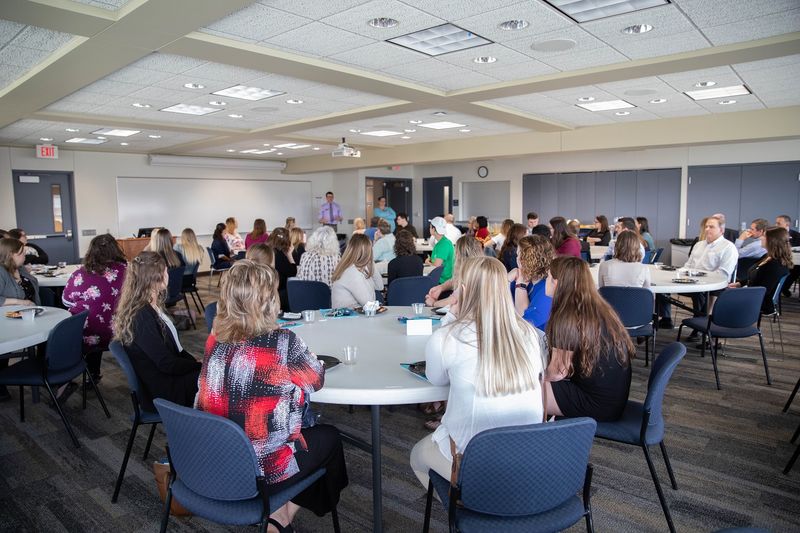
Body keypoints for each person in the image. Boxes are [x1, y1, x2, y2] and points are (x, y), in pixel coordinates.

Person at [196, 260, 348, 529]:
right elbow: (316, 380)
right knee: (330, 440)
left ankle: (277, 514)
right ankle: (280, 517)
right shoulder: (281, 342)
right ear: (268, 300)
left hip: (216, 456)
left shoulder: (214, 339)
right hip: (262, 468)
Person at [409, 256, 545, 489]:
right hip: (529, 457)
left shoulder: (448, 337)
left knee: (417, 456)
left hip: (474, 463)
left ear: (462, 290)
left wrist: (452, 316)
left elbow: (436, 380)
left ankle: (468, 510)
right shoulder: (530, 334)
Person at [544, 256, 635, 421]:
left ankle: (535, 441)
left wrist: (532, 378)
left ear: (556, 283)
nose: (546, 280)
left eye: (548, 277)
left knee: (526, 393)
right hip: (614, 399)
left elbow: (558, 372)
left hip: (597, 405)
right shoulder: (598, 308)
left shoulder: (566, 317)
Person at [112, 252, 201, 411]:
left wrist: (195, 363)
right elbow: (166, 363)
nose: (168, 274)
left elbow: (173, 350)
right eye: (165, 271)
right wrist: (198, 367)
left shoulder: (152, 306)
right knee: (218, 380)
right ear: (155, 278)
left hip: (167, 377)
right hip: (163, 390)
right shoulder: (141, 317)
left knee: (217, 375)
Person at [62, 233, 127, 383]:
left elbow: (66, 301)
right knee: (101, 318)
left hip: (85, 333)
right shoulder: (127, 271)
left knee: (89, 319)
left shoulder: (80, 273)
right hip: (120, 331)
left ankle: (66, 380)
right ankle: (93, 374)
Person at [657, 216, 737, 331]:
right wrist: (675, 274)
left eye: (712, 227)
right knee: (662, 285)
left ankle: (699, 326)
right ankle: (665, 318)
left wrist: (699, 280)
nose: (707, 229)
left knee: (699, 294)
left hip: (711, 285)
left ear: (721, 230)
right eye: (706, 226)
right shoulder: (699, 245)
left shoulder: (728, 247)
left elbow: (723, 273)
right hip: (691, 281)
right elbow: (688, 266)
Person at [0, 237, 42, 401]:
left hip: (30, 316)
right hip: (9, 321)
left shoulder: (20, 268)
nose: (25, 256)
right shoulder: (1, 272)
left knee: (51, 336)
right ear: (10, 255)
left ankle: (44, 372)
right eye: (21, 253)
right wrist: (19, 301)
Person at [729, 226, 792, 314]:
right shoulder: (767, 257)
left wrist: (740, 292)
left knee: (719, 295)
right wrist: (740, 284)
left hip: (759, 301)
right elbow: (757, 277)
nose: (761, 238)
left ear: (772, 241)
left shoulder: (775, 265)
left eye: (764, 236)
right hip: (753, 294)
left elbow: (762, 290)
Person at [510, 235, 554, 330]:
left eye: (518, 255)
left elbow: (525, 323)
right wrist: (506, 279)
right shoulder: (521, 278)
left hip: (537, 340)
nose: (516, 259)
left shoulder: (548, 288)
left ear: (526, 260)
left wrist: (520, 284)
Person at [425, 236, 483, 308]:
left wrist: (433, 303)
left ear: (459, 255)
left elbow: (453, 300)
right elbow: (455, 280)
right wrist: (441, 287)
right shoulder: (477, 269)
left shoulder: (469, 275)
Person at [330, 234, 384, 308]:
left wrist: (371, 262)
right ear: (368, 252)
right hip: (348, 318)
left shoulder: (353, 268)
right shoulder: (352, 273)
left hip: (351, 316)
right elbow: (370, 304)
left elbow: (380, 286)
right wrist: (370, 259)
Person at [267, 227, 297, 311]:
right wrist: (289, 254)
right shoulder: (278, 254)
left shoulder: (267, 251)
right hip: (278, 293)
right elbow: (292, 272)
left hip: (267, 290)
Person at [426, 217, 455, 284]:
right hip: (441, 278)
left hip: (442, 281)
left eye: (430, 227)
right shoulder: (442, 242)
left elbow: (436, 266)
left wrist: (428, 262)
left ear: (434, 229)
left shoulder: (444, 244)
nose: (429, 229)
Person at [776, 215, 800, 296]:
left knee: (796, 268)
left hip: (792, 260)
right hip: (778, 259)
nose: (776, 225)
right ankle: (780, 289)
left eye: (778, 223)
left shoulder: (797, 236)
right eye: (776, 223)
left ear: (787, 224)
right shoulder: (774, 234)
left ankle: (784, 288)